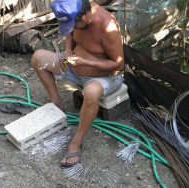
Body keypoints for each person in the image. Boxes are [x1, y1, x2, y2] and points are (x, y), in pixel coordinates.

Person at [30, 0, 124, 166]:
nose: (72, 27)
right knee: (38, 58)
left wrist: (86, 63)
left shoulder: (107, 26)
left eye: (74, 24)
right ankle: (56, 105)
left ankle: (77, 140)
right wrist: (67, 52)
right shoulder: (75, 12)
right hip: (75, 67)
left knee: (91, 93)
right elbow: (70, 33)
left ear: (86, 15)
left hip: (105, 76)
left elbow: (118, 65)